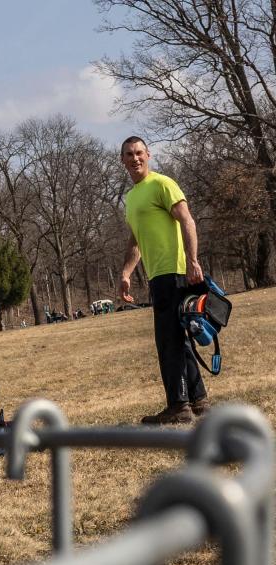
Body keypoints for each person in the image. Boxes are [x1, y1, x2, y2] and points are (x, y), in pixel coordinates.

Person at [117, 136, 208, 424]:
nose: (135, 158)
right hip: (157, 275)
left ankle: (178, 406)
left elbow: (187, 220)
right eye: (129, 154)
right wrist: (126, 273)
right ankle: (199, 401)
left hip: (175, 272)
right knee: (176, 338)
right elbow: (136, 240)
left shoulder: (162, 184)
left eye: (139, 153)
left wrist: (192, 261)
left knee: (168, 340)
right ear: (122, 160)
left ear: (149, 155)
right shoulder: (132, 198)